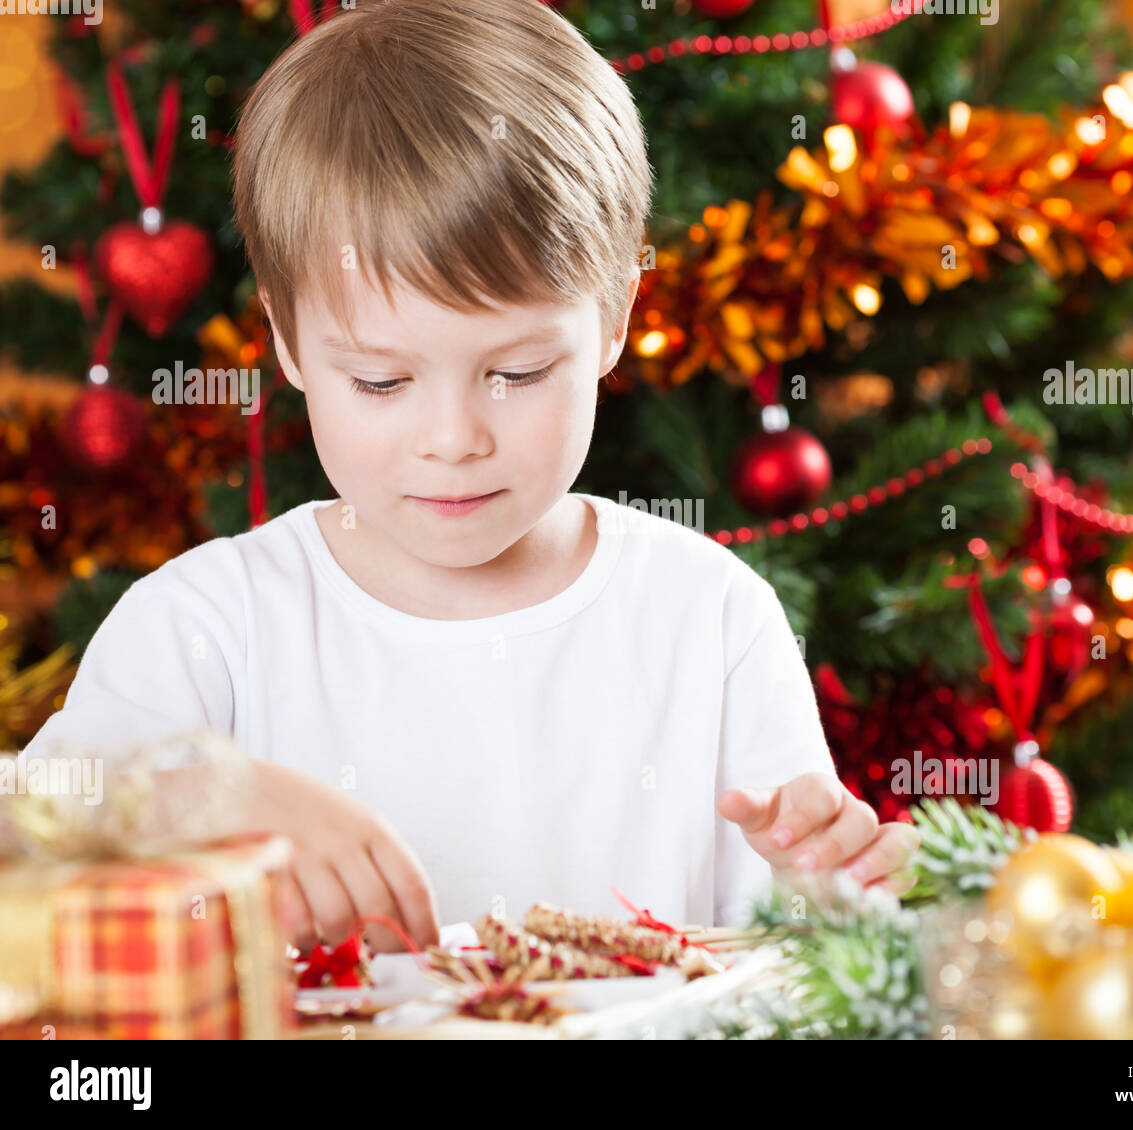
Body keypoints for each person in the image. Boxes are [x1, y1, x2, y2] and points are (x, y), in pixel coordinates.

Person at [21, 0, 919, 951]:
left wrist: (834, 892)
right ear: (287, 342)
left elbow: (808, 958)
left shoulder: (711, 620)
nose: (452, 439)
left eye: (517, 372)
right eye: (380, 379)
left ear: (614, 318)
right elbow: (23, 838)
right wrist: (197, 795)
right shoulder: (208, 624)